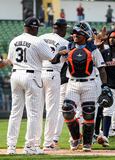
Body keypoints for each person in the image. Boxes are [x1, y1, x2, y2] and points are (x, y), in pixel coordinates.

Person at [0, 17, 67, 155]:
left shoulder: (14, 40)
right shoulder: (37, 41)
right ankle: (30, 146)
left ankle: (11, 147)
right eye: (37, 27)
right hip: (31, 76)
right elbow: (53, 59)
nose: (38, 30)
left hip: (16, 75)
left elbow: (10, 61)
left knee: (15, 113)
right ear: (33, 27)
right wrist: (59, 53)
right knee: (34, 113)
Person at [62, 21, 109, 152]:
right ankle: (76, 137)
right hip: (72, 82)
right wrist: (57, 55)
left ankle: (87, 143)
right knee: (67, 110)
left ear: (85, 34)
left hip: (89, 83)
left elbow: (102, 69)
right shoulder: (68, 46)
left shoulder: (93, 49)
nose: (74, 35)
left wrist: (104, 86)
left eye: (77, 33)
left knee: (88, 113)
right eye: (73, 33)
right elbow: (55, 61)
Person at [37, 19, 69, 151]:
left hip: (38, 73)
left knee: (37, 110)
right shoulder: (65, 42)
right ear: (63, 28)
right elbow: (64, 61)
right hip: (53, 74)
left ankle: (34, 142)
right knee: (52, 110)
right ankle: (48, 143)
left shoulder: (41, 37)